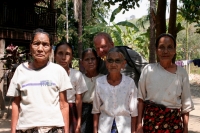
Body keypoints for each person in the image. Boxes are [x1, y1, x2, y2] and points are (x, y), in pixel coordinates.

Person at [6, 28, 72, 133]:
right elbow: (16, 104)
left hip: (54, 129)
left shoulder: (58, 71)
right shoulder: (20, 70)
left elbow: (64, 104)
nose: (40, 48)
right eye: (36, 44)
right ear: (30, 47)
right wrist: (13, 131)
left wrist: (66, 131)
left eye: (45, 44)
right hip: (26, 129)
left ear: (50, 49)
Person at [137, 33, 195, 133]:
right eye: (161, 47)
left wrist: (185, 128)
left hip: (174, 122)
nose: (165, 51)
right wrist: (139, 125)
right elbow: (140, 99)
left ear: (175, 50)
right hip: (151, 122)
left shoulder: (181, 73)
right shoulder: (148, 70)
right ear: (156, 50)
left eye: (169, 47)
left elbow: (186, 104)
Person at [92, 47, 138, 133]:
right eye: (110, 60)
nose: (113, 64)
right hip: (104, 128)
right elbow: (96, 110)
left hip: (125, 128)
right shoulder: (99, 82)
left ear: (123, 64)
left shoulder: (129, 83)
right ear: (106, 63)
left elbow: (134, 112)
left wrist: (133, 131)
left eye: (117, 61)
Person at [54, 42, 88, 133]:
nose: (64, 57)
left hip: (71, 112)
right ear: (54, 55)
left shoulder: (77, 75)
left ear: (72, 57)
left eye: (67, 54)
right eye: (60, 53)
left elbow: (78, 101)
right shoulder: (49, 75)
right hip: (53, 111)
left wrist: (79, 123)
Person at [80, 48, 103, 133]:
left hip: (100, 112)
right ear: (82, 62)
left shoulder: (103, 78)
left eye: (93, 59)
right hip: (84, 112)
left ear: (97, 60)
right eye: (87, 59)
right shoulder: (80, 78)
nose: (90, 62)